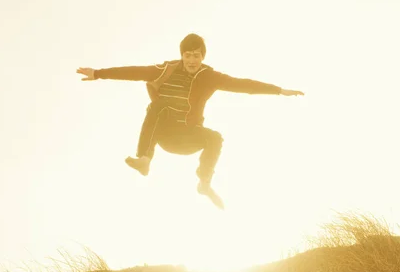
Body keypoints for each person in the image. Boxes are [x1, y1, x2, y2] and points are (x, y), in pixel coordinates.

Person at [77, 33, 304, 209]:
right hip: (164, 133)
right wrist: (98, 73)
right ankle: (145, 158)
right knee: (159, 105)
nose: (192, 60)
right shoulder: (165, 70)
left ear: (202, 56)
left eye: (196, 55)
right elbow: (134, 72)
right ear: (182, 55)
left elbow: (242, 85)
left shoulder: (209, 77)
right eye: (188, 55)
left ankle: (204, 183)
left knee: (215, 138)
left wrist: (279, 91)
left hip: (187, 136)